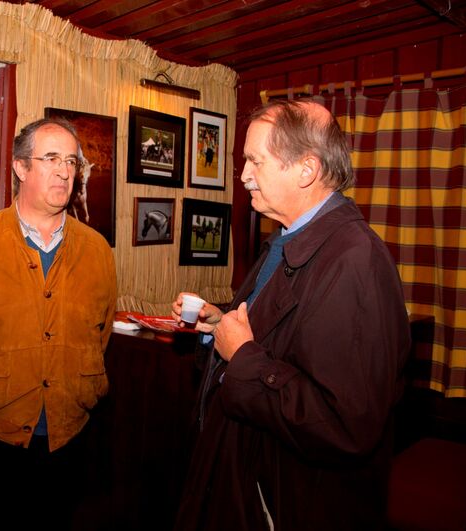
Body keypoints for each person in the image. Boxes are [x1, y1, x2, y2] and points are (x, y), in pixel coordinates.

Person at [172, 100, 410, 531]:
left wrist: (241, 356)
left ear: (306, 170)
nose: (243, 175)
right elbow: (281, 339)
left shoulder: (355, 261)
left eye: (254, 161)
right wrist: (218, 323)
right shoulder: (285, 240)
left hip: (285, 502)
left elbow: (344, 424)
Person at [0, 118, 117, 531]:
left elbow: (100, 333)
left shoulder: (97, 250)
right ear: (20, 167)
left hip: (71, 433)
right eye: (51, 158)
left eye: (71, 161)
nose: (64, 171)